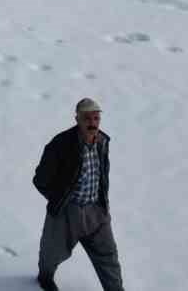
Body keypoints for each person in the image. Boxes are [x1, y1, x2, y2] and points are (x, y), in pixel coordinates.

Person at [31, 98, 124, 291]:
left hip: (96, 212)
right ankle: (45, 278)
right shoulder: (61, 144)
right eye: (86, 118)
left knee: (108, 256)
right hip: (67, 211)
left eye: (96, 118)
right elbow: (40, 180)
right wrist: (60, 198)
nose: (92, 123)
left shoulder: (102, 142)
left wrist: (102, 205)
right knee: (52, 253)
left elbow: (101, 176)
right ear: (77, 119)